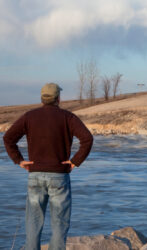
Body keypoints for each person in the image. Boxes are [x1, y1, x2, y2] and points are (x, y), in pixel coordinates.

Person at [3, 83, 93, 250]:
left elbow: (8, 138)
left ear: (42, 98)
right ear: (58, 98)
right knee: (60, 222)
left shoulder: (29, 116)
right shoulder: (68, 117)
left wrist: (19, 160)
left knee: (33, 221)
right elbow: (87, 139)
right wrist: (75, 161)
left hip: (35, 175)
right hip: (59, 176)